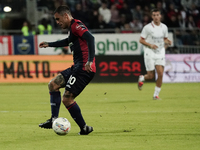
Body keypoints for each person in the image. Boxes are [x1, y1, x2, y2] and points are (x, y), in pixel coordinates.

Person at [38, 5, 96, 135]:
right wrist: (49, 44)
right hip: (76, 67)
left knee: (67, 99)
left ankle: (84, 128)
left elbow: (90, 38)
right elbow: (67, 41)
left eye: (58, 19)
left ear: (66, 16)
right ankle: (53, 119)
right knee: (53, 84)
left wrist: (90, 61)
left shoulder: (76, 25)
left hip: (84, 68)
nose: (57, 22)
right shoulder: (72, 29)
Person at [138, 8, 171, 100]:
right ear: (152, 16)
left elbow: (164, 39)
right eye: (154, 15)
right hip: (150, 52)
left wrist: (168, 41)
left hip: (160, 52)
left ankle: (155, 95)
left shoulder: (164, 27)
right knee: (151, 76)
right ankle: (142, 78)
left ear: (160, 16)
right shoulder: (147, 28)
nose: (156, 17)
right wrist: (150, 45)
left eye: (157, 15)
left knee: (160, 73)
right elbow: (141, 40)